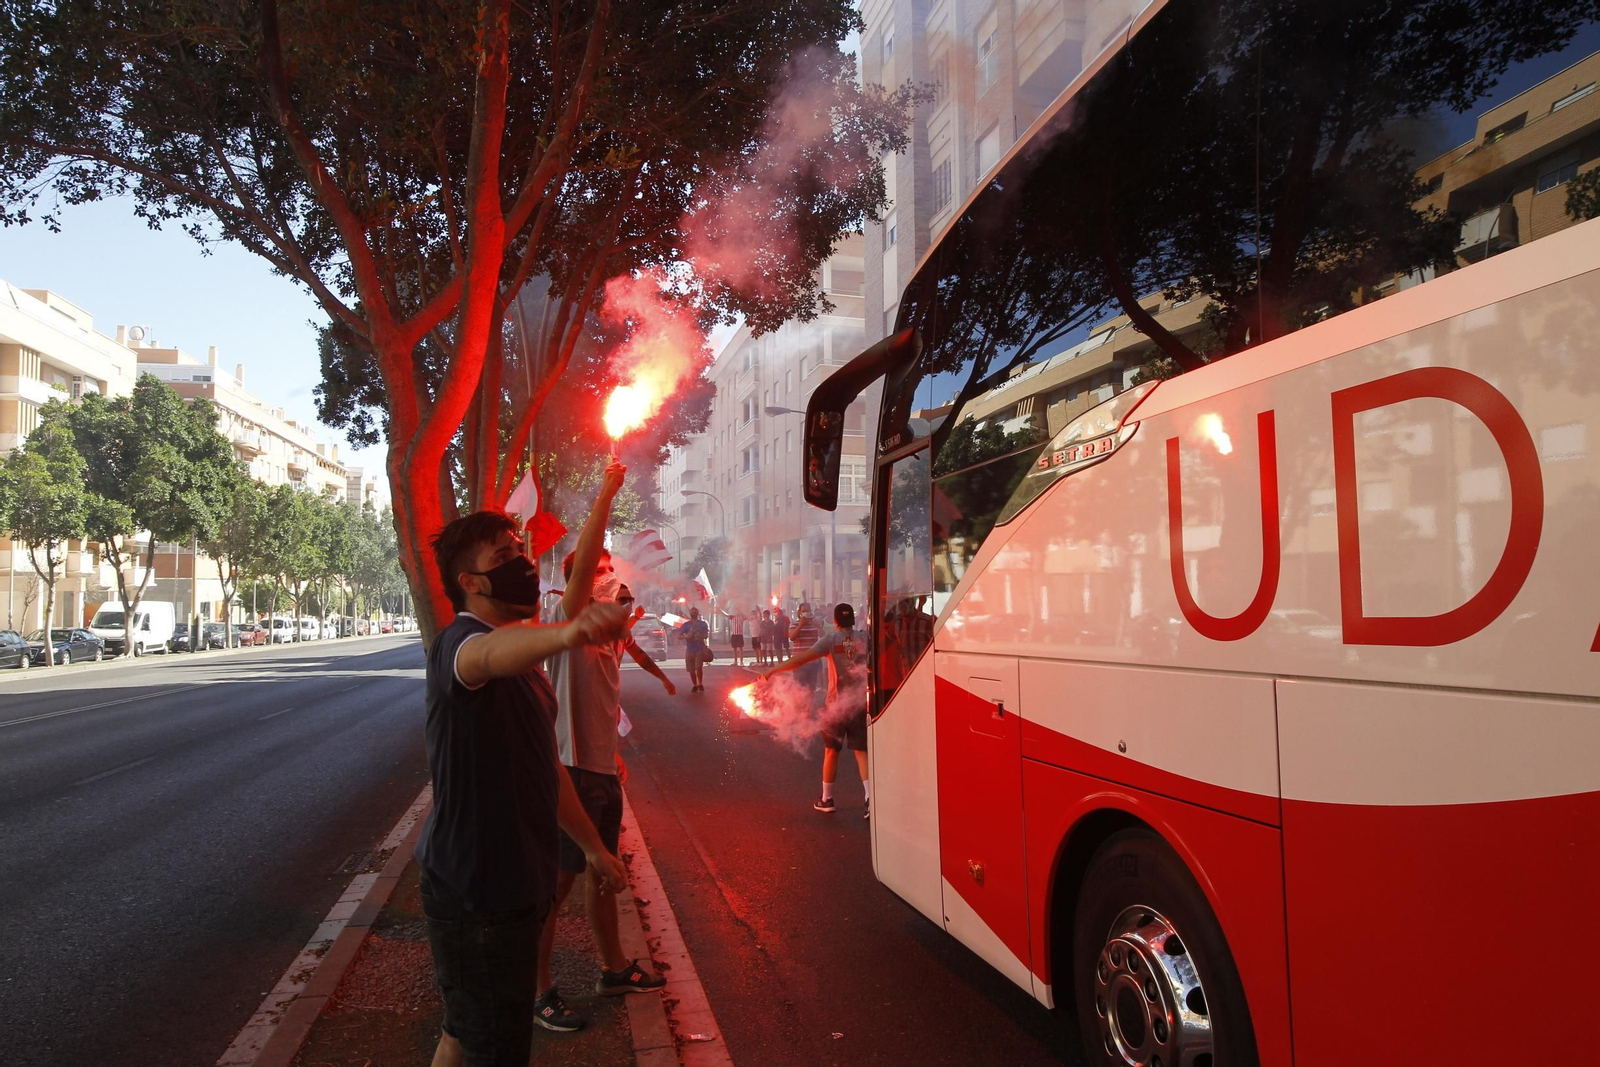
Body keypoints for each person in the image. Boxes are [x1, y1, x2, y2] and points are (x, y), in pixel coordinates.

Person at [417, 509, 631, 1067]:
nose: (523, 564)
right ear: (471, 583)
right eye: (504, 557)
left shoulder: (525, 662)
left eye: (520, 551)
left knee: (465, 1032)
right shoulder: (462, 643)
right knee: (496, 1047)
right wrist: (570, 631)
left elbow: (545, 767)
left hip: (509, 882)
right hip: (478, 891)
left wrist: (592, 848)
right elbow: (483, 659)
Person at [537, 462, 672, 1032]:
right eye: (606, 574)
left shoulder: (608, 636)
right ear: (582, 583)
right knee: (557, 882)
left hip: (596, 770)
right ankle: (537, 990)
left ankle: (613, 967)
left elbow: (603, 703)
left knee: (602, 873)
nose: (620, 584)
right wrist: (607, 494)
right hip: (566, 773)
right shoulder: (559, 616)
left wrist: (610, 756)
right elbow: (584, 574)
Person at [760, 603, 870, 818]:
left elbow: (799, 660)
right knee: (861, 752)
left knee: (831, 751)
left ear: (836, 621)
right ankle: (868, 800)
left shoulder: (830, 641)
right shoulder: (864, 638)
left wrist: (773, 669)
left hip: (835, 705)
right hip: (858, 704)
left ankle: (827, 799)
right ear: (853, 621)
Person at [788, 602, 823, 702]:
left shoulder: (814, 624)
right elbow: (792, 637)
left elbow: (823, 636)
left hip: (813, 663)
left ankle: (808, 711)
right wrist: (801, 625)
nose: (806, 613)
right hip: (799, 663)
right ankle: (799, 710)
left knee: (811, 689)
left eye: (808, 611)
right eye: (803, 611)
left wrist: (819, 626)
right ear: (799, 612)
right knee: (799, 689)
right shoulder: (794, 624)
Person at [676, 607, 710, 692]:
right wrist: (686, 636)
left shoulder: (703, 624)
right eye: (692, 612)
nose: (694, 613)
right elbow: (679, 636)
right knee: (691, 669)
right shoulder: (686, 625)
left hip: (699, 648)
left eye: (695, 612)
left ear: (697, 613)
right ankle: (695, 685)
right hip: (690, 649)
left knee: (699, 668)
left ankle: (700, 684)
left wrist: (701, 636)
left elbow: (706, 635)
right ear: (690, 614)